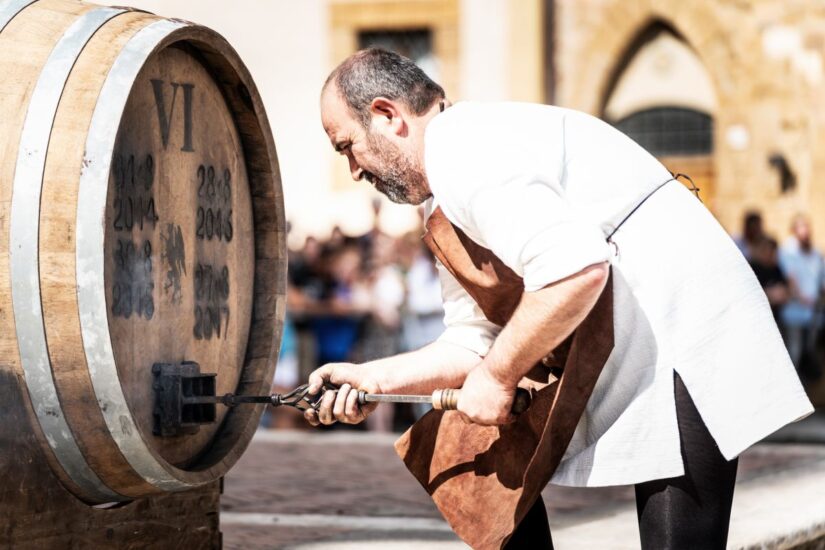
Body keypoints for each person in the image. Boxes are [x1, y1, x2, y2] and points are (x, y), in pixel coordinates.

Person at [305, 48, 813, 549]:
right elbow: (473, 339)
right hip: (640, 331)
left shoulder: (463, 147)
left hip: (684, 327)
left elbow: (576, 269)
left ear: (387, 115)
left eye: (347, 146)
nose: (353, 170)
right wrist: (373, 378)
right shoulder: (445, 185)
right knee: (464, 446)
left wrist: (497, 377)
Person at [779, 214, 825, 381]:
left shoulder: (815, 252)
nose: (805, 231)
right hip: (794, 310)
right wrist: (801, 297)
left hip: (813, 311)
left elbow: (821, 279)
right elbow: (790, 278)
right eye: (801, 227)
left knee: (809, 348)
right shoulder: (788, 250)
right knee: (794, 350)